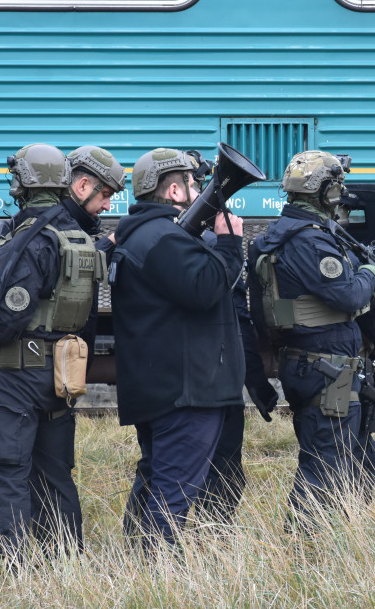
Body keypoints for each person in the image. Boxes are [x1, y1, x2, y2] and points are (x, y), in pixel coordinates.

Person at [0, 143, 107, 556]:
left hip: (17, 374)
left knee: (6, 470)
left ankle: (4, 569)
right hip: (59, 374)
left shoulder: (31, 238)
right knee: (54, 474)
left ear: (23, 184)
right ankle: (63, 560)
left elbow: (12, 314)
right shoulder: (76, 235)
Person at [248, 150, 375, 526]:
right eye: (338, 188)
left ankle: (342, 542)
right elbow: (348, 295)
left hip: (321, 365)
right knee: (325, 470)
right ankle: (306, 554)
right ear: (327, 194)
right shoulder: (308, 242)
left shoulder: (281, 236)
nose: (342, 195)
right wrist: (373, 275)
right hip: (325, 369)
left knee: (360, 460)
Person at [110, 147, 246, 550]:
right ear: (173, 191)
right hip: (186, 392)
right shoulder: (161, 238)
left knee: (158, 481)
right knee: (174, 494)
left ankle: (136, 564)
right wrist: (228, 242)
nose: (199, 189)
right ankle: (153, 574)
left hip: (169, 386)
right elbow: (204, 289)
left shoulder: (148, 234)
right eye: (191, 183)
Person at [65, 145, 126, 367]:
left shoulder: (66, 226)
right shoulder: (56, 230)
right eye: (106, 195)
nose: (109, 206)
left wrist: (111, 241)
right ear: (83, 186)